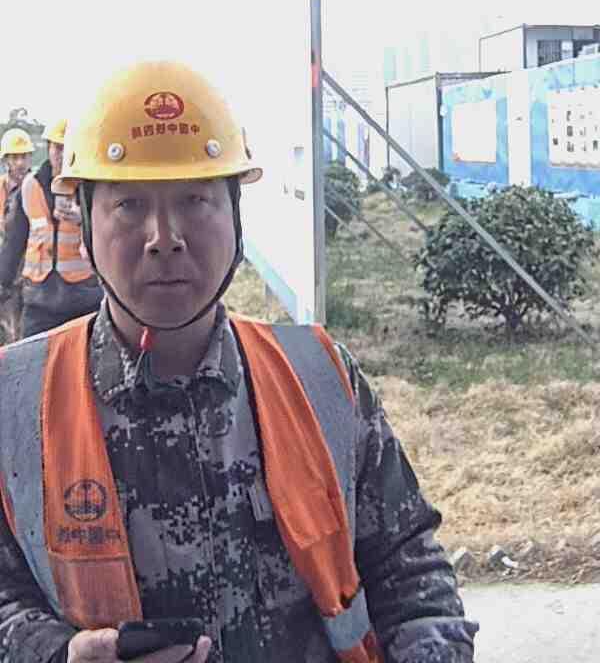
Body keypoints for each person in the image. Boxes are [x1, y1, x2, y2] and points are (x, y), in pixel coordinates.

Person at [0, 61, 478, 663]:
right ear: (89, 225)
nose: (164, 237)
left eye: (195, 200)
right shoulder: (15, 399)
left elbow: (410, 574)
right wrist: (56, 654)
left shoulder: (320, 377)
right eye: (129, 205)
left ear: (236, 216)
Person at [0, 118, 103, 338]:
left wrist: (84, 220)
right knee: (30, 356)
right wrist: (3, 283)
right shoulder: (30, 186)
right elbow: (14, 242)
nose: (62, 154)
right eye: (57, 147)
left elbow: (111, 237)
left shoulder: (91, 186)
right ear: (48, 148)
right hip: (40, 300)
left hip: (83, 297)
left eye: (67, 148)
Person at [0, 127, 34, 340]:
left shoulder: (39, 187)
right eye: (15, 157)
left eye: (24, 157)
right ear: (6, 160)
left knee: (19, 333)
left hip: (27, 275)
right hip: (4, 269)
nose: (20, 163)